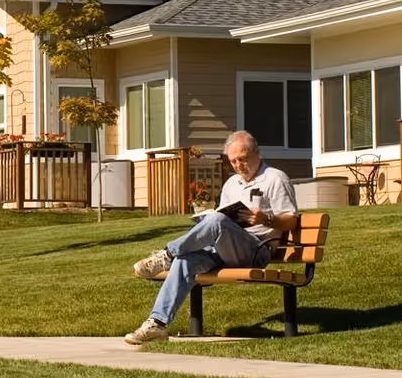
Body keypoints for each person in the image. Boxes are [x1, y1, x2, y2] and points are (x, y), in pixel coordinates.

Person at [124, 130, 299, 345]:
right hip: (224, 250)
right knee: (185, 259)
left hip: (256, 250)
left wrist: (266, 219)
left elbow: (291, 220)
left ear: (257, 153)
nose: (238, 166)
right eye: (233, 161)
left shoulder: (275, 178)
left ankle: (167, 255)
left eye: (242, 159)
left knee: (216, 221)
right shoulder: (232, 184)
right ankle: (157, 324)